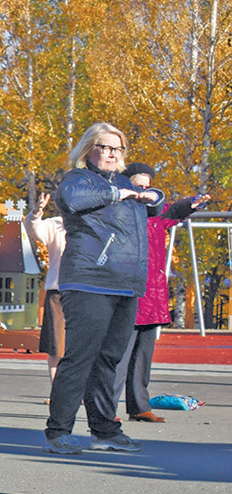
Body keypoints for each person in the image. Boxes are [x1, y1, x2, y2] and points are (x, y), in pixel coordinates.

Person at [42, 123, 161, 455]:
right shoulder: (76, 180)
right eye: (105, 147)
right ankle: (59, 432)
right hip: (88, 280)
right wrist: (117, 193)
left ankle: (104, 430)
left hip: (125, 284)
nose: (111, 153)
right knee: (81, 357)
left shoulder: (126, 183)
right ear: (88, 149)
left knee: (109, 359)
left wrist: (153, 195)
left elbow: (157, 206)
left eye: (117, 148)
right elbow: (70, 199)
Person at [114, 162, 209, 423]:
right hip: (128, 293)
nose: (143, 191)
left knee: (142, 359)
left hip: (153, 297)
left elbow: (175, 210)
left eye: (147, 186)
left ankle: (139, 408)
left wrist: (194, 202)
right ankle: (106, 411)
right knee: (118, 357)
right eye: (137, 185)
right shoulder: (117, 211)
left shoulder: (157, 212)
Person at [24, 192, 68, 385]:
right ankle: (56, 389)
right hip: (58, 291)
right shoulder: (56, 225)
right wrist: (37, 212)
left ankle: (81, 390)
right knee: (57, 344)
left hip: (87, 292)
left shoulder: (93, 225)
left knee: (83, 345)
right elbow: (33, 229)